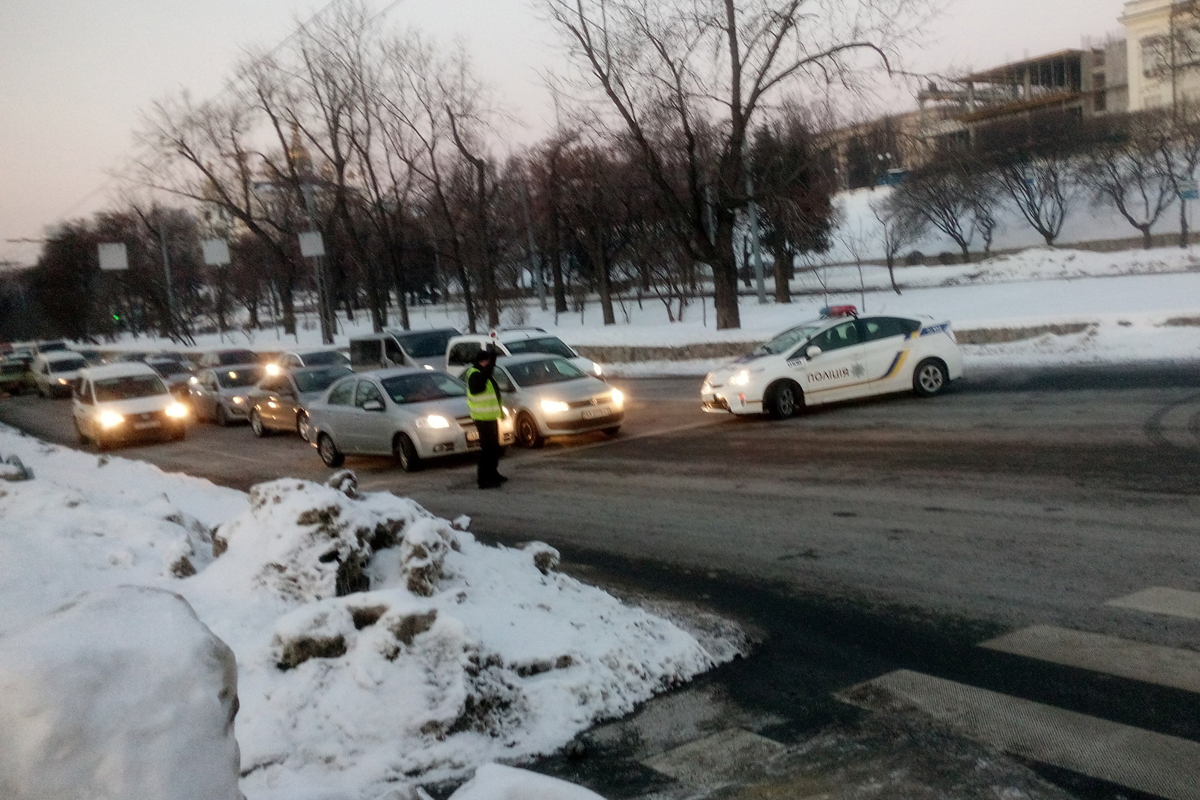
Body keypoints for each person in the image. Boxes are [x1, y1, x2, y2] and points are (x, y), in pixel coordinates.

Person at [464, 346, 507, 489]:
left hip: (490, 416)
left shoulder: (484, 373)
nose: (489, 365)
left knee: (494, 448)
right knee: (487, 449)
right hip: (481, 418)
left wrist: (492, 363)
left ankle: (493, 473)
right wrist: (491, 365)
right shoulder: (474, 374)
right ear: (482, 361)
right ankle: (483, 479)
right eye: (487, 362)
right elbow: (479, 387)